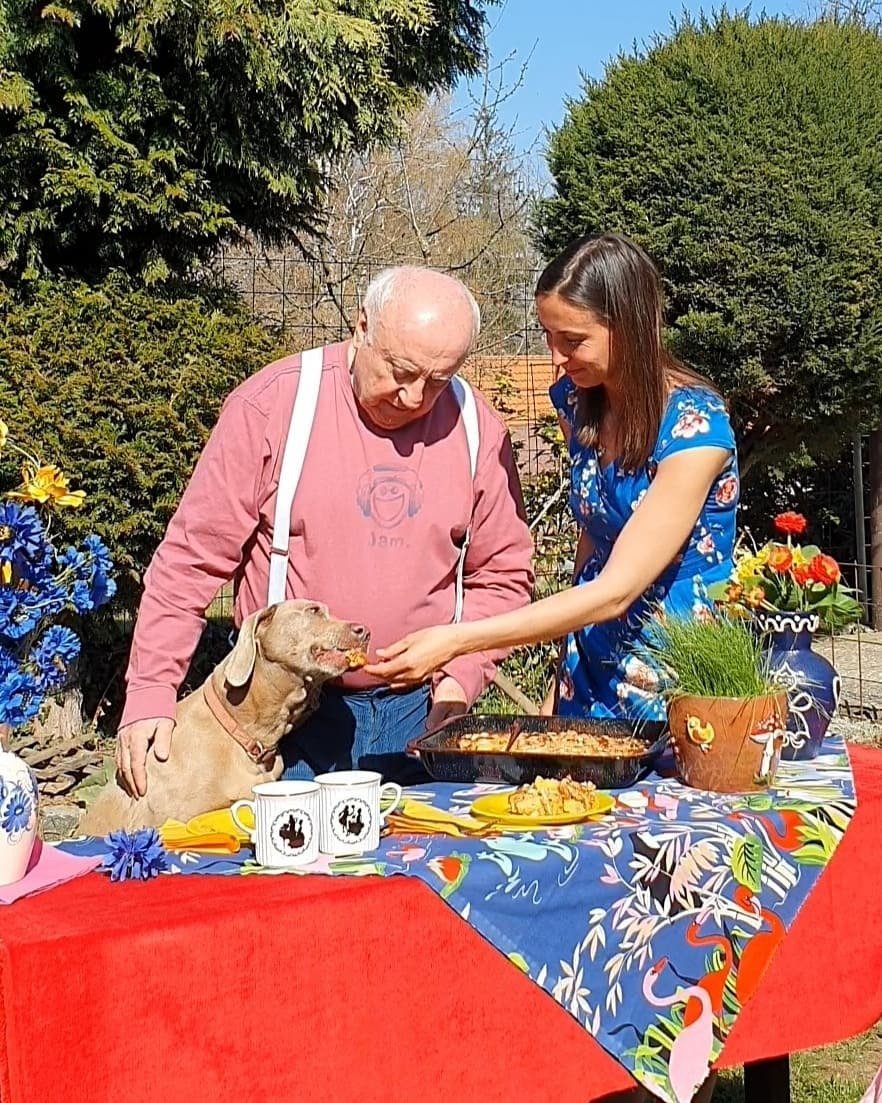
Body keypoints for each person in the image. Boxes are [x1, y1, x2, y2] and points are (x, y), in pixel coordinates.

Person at [117, 266, 534, 795]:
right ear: (361, 328)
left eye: (436, 381)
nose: (411, 397)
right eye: (400, 371)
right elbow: (189, 562)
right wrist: (151, 691)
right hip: (283, 719)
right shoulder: (272, 406)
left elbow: (503, 576)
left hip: (422, 714)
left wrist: (460, 681)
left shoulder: (477, 428)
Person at [365, 233, 738, 721]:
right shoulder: (576, 400)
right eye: (548, 336)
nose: (556, 357)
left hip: (675, 671)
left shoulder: (696, 430)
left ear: (628, 327)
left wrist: (457, 640)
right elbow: (593, 539)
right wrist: (562, 675)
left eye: (572, 340)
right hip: (592, 658)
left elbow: (617, 588)